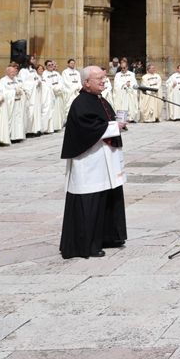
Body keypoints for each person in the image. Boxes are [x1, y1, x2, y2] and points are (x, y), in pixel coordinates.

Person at [59, 66, 127, 259]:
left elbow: (104, 121)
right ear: (86, 82)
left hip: (104, 159)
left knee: (106, 198)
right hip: (89, 161)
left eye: (104, 78)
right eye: (99, 79)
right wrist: (115, 126)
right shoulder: (80, 103)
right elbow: (88, 128)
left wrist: (116, 124)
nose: (103, 81)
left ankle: (107, 237)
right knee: (91, 199)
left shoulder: (99, 99)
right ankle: (87, 244)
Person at [41, 60, 64, 133]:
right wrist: (53, 89)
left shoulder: (56, 73)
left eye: (51, 65)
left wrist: (58, 88)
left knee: (58, 111)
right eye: (49, 65)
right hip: (50, 95)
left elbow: (61, 81)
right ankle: (51, 128)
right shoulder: (44, 74)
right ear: (45, 66)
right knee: (51, 111)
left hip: (58, 94)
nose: (51, 66)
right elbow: (45, 84)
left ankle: (57, 126)